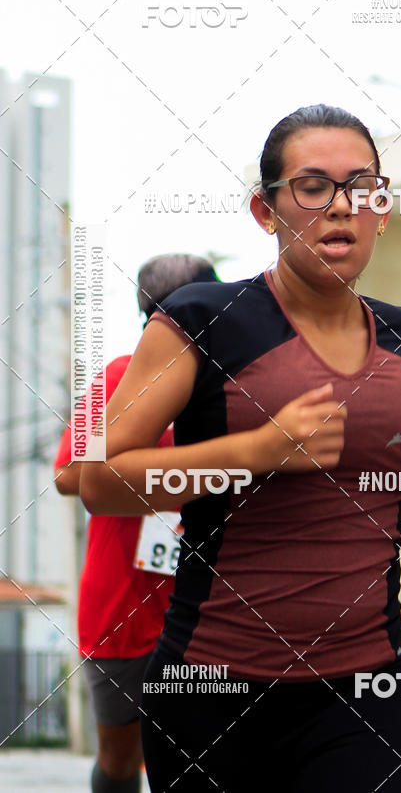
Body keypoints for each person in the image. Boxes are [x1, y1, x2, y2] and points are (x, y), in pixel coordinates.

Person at [80, 104, 401, 793]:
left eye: (361, 187)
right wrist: (257, 450)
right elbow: (99, 480)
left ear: (382, 210)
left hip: (369, 684)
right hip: (213, 684)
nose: (340, 206)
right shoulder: (201, 321)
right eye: (312, 186)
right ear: (265, 212)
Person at [54, 254, 219, 793]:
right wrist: (157, 476)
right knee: (121, 763)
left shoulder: (236, 384)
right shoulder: (123, 378)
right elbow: (67, 477)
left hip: (212, 607)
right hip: (123, 606)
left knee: (201, 755)